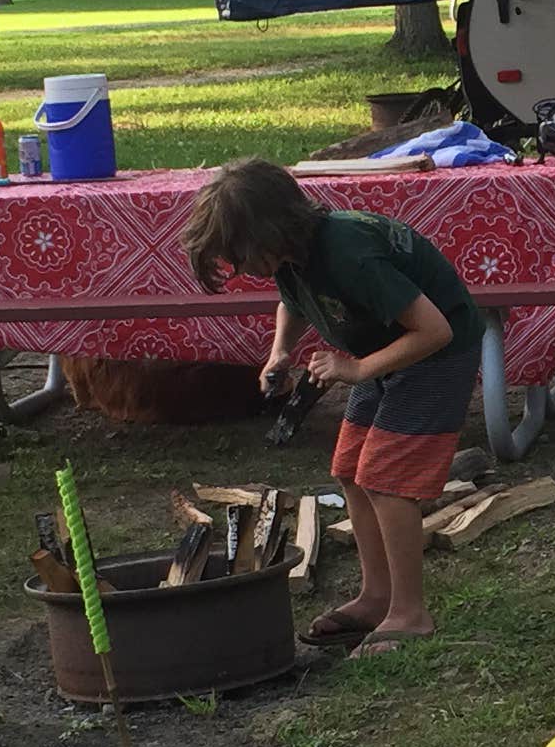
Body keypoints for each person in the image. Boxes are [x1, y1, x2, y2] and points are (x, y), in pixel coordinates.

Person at [183, 157, 481, 653]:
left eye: (239, 257)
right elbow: (293, 300)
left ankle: (410, 613)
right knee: (351, 470)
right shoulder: (291, 255)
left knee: (387, 479)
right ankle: (377, 597)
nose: (240, 270)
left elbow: (435, 330)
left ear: (270, 230)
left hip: (435, 356)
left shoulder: (348, 252)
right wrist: (280, 351)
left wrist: (356, 370)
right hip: (382, 351)